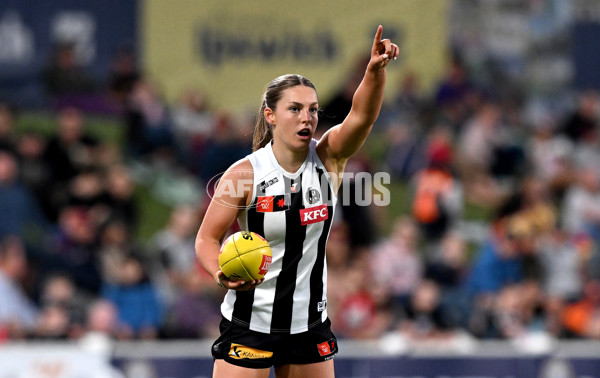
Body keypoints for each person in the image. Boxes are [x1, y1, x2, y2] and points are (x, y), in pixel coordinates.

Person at [195, 26, 398, 378]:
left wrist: (374, 71)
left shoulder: (329, 159)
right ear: (270, 116)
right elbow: (206, 239)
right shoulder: (244, 174)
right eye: (295, 108)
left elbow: (362, 117)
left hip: (308, 324)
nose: (308, 117)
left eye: (314, 109)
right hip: (250, 323)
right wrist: (219, 273)